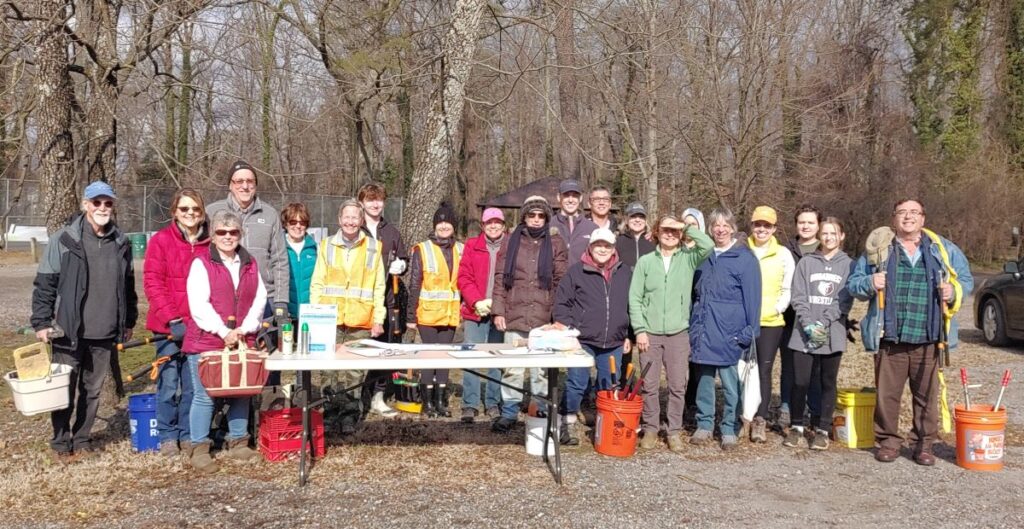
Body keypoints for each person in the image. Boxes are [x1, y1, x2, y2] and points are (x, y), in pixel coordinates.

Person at [848, 199, 973, 465]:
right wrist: (871, 282)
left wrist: (953, 291)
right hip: (890, 336)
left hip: (930, 337)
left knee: (927, 396)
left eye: (914, 212)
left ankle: (923, 445)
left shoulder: (942, 249)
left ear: (923, 219)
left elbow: (965, 280)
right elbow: (854, 284)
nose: (908, 217)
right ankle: (888, 443)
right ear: (894, 218)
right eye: (902, 212)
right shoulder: (880, 248)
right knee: (887, 396)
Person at [31, 181, 138, 463]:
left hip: (104, 332)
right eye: (97, 202)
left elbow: (128, 286)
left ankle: (82, 439)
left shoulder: (121, 242)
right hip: (68, 331)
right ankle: (60, 442)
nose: (102, 208)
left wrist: (128, 320)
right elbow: (45, 284)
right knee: (64, 389)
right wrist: (42, 322)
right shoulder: (64, 240)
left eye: (108, 203)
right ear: (85, 205)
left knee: (91, 392)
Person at [184, 210, 266, 474]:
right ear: (213, 235)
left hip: (242, 337)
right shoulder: (201, 263)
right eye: (222, 232)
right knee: (205, 395)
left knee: (243, 389)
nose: (228, 237)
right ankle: (199, 448)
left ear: (240, 234)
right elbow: (198, 304)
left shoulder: (250, 262)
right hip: (207, 339)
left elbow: (259, 298)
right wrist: (222, 331)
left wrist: (245, 328)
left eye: (233, 232)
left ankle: (239, 441)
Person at [629, 215, 713, 451]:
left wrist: (684, 227)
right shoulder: (646, 262)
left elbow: (707, 245)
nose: (670, 234)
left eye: (674, 231)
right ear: (657, 232)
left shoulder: (688, 258)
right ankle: (651, 428)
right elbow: (634, 298)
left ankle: (673, 430)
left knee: (677, 385)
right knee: (650, 385)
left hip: (678, 333)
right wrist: (640, 330)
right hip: (650, 334)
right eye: (665, 229)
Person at [491, 195, 569, 433]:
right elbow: (500, 278)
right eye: (531, 215)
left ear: (546, 218)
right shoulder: (510, 242)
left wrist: (558, 317)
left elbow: (560, 282)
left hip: (543, 317)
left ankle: (540, 407)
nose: (536, 220)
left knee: (540, 370)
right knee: (512, 368)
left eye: (540, 216)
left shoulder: (556, 243)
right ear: (524, 217)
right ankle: (509, 412)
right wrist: (498, 311)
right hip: (514, 313)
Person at [309, 199, 386, 435]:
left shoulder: (374, 247)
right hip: (329, 319)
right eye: (347, 217)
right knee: (328, 370)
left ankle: (350, 415)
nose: (351, 221)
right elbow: (317, 283)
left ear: (361, 221)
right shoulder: (325, 246)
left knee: (355, 371)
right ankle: (330, 414)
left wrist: (378, 318)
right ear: (339, 220)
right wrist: (315, 316)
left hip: (360, 319)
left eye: (355, 217)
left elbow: (378, 286)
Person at [143, 188, 210, 457]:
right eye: (184, 209)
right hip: (167, 327)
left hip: (199, 329)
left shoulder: (210, 245)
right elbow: (153, 283)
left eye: (195, 209)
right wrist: (173, 318)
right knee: (169, 384)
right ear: (175, 212)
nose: (190, 214)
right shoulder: (161, 241)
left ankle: (187, 432)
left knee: (194, 386)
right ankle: (167, 433)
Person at [688, 208, 761, 451]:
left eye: (725, 225)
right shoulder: (703, 257)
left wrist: (750, 331)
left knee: (731, 386)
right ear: (710, 229)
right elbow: (693, 295)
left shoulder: (745, 259)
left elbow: (753, 298)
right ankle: (705, 424)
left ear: (732, 228)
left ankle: (729, 427)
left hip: (730, 331)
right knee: (704, 382)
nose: (720, 229)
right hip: (704, 329)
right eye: (715, 225)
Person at [554, 228, 634, 445]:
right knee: (577, 383)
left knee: (609, 385)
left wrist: (629, 335)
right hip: (583, 340)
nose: (602, 249)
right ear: (590, 247)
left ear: (613, 248)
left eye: (606, 246)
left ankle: (604, 423)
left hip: (614, 342)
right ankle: (566, 421)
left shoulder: (625, 271)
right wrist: (570, 330)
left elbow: (632, 305)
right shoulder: (576, 272)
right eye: (598, 245)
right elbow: (562, 305)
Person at [784, 217, 853, 450]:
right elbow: (798, 296)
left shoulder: (848, 265)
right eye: (825, 233)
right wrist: (808, 324)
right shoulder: (806, 262)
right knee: (800, 381)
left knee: (827, 381)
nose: (829, 237)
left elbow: (844, 300)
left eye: (834, 233)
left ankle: (823, 429)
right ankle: (796, 428)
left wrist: (822, 323)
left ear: (841, 236)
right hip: (803, 332)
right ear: (819, 236)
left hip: (832, 333)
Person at [206, 160, 289, 318]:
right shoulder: (212, 212)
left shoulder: (270, 214)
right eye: (239, 181)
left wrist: (281, 301)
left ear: (255, 185)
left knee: (262, 343)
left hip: (265, 297)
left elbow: (280, 260)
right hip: (222, 298)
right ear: (230, 185)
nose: (245, 186)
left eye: (250, 181)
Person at [407, 203, 463, 417]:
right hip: (428, 314)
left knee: (444, 357)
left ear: (454, 226)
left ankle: (441, 401)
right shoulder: (423, 249)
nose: (444, 226)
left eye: (448, 222)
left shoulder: (461, 249)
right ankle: (427, 402)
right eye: (440, 222)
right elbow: (415, 283)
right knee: (430, 356)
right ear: (434, 226)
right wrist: (411, 316)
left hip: (450, 314)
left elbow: (464, 281)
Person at [746, 206, 795, 442]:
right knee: (742, 371)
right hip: (743, 322)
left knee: (764, 371)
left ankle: (760, 419)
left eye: (767, 225)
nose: (761, 229)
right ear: (752, 226)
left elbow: (788, 287)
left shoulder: (783, 254)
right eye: (758, 224)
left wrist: (777, 308)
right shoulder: (742, 249)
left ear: (774, 228)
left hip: (771, 323)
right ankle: (742, 416)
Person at [358, 182, 406, 417]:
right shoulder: (354, 228)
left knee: (383, 350)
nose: (375, 204)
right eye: (370, 200)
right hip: (358, 302)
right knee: (357, 350)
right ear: (361, 203)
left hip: (386, 300)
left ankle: (378, 395)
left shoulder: (391, 232)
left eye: (378, 200)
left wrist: (402, 265)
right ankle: (356, 396)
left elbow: (404, 257)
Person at [456, 207, 507, 422]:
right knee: (472, 356)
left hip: (501, 312)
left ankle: (493, 402)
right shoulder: (472, 246)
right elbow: (463, 277)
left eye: (497, 222)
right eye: (489, 222)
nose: (493, 226)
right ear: (483, 225)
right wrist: (475, 301)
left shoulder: (511, 246)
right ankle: (470, 403)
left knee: (496, 357)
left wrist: (499, 306)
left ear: (504, 225)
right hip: (474, 310)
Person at [779, 204, 824, 428]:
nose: (805, 226)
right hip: (790, 319)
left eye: (810, 222)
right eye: (801, 222)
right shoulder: (786, 250)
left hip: (817, 319)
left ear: (818, 225)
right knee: (789, 366)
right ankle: (786, 408)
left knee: (815, 368)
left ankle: (815, 412)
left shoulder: (825, 250)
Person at [281, 203, 318, 319]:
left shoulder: (315, 249)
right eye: (293, 222)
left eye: (302, 223)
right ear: (286, 224)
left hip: (309, 313)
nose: (298, 226)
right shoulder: (278, 248)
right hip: (286, 314)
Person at [550, 179, 597, 265]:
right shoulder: (548, 225)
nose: (570, 200)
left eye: (575, 196)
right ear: (558, 197)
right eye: (566, 195)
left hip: (582, 277)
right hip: (555, 278)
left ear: (581, 198)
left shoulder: (592, 228)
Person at [615, 202, 655, 269]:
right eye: (633, 216)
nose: (637, 220)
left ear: (645, 221)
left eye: (641, 217)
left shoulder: (654, 240)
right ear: (626, 220)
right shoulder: (618, 241)